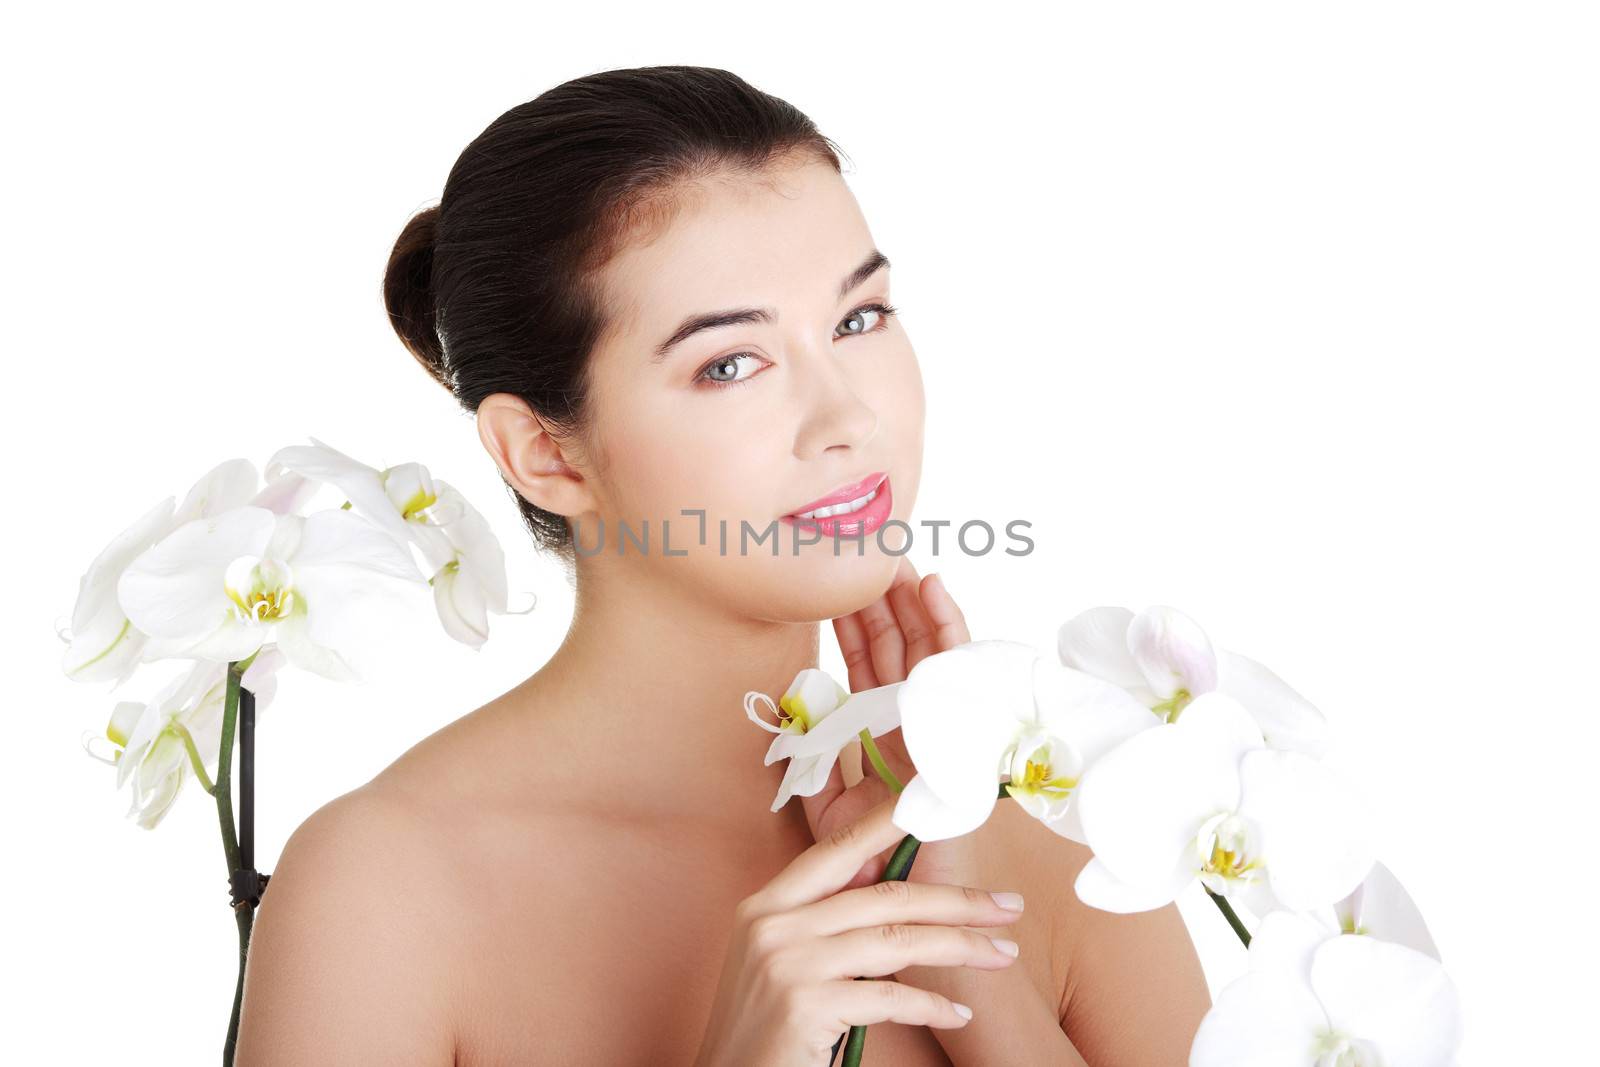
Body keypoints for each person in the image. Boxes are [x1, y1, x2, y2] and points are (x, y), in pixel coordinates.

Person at [234, 65, 1211, 1065]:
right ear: (546, 452)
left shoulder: (1066, 837)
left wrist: (979, 985)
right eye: (730, 363)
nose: (848, 416)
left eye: (858, 319)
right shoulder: (386, 887)